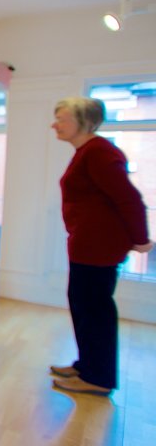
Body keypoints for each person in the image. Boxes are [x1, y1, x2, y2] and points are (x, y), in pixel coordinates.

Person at [49, 97, 152, 396]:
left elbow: (128, 198)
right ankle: (86, 366)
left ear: (86, 122)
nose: (54, 124)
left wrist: (141, 239)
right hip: (87, 245)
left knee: (95, 310)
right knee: (83, 306)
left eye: (62, 118)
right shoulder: (87, 151)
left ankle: (98, 378)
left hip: (99, 247)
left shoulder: (99, 153)